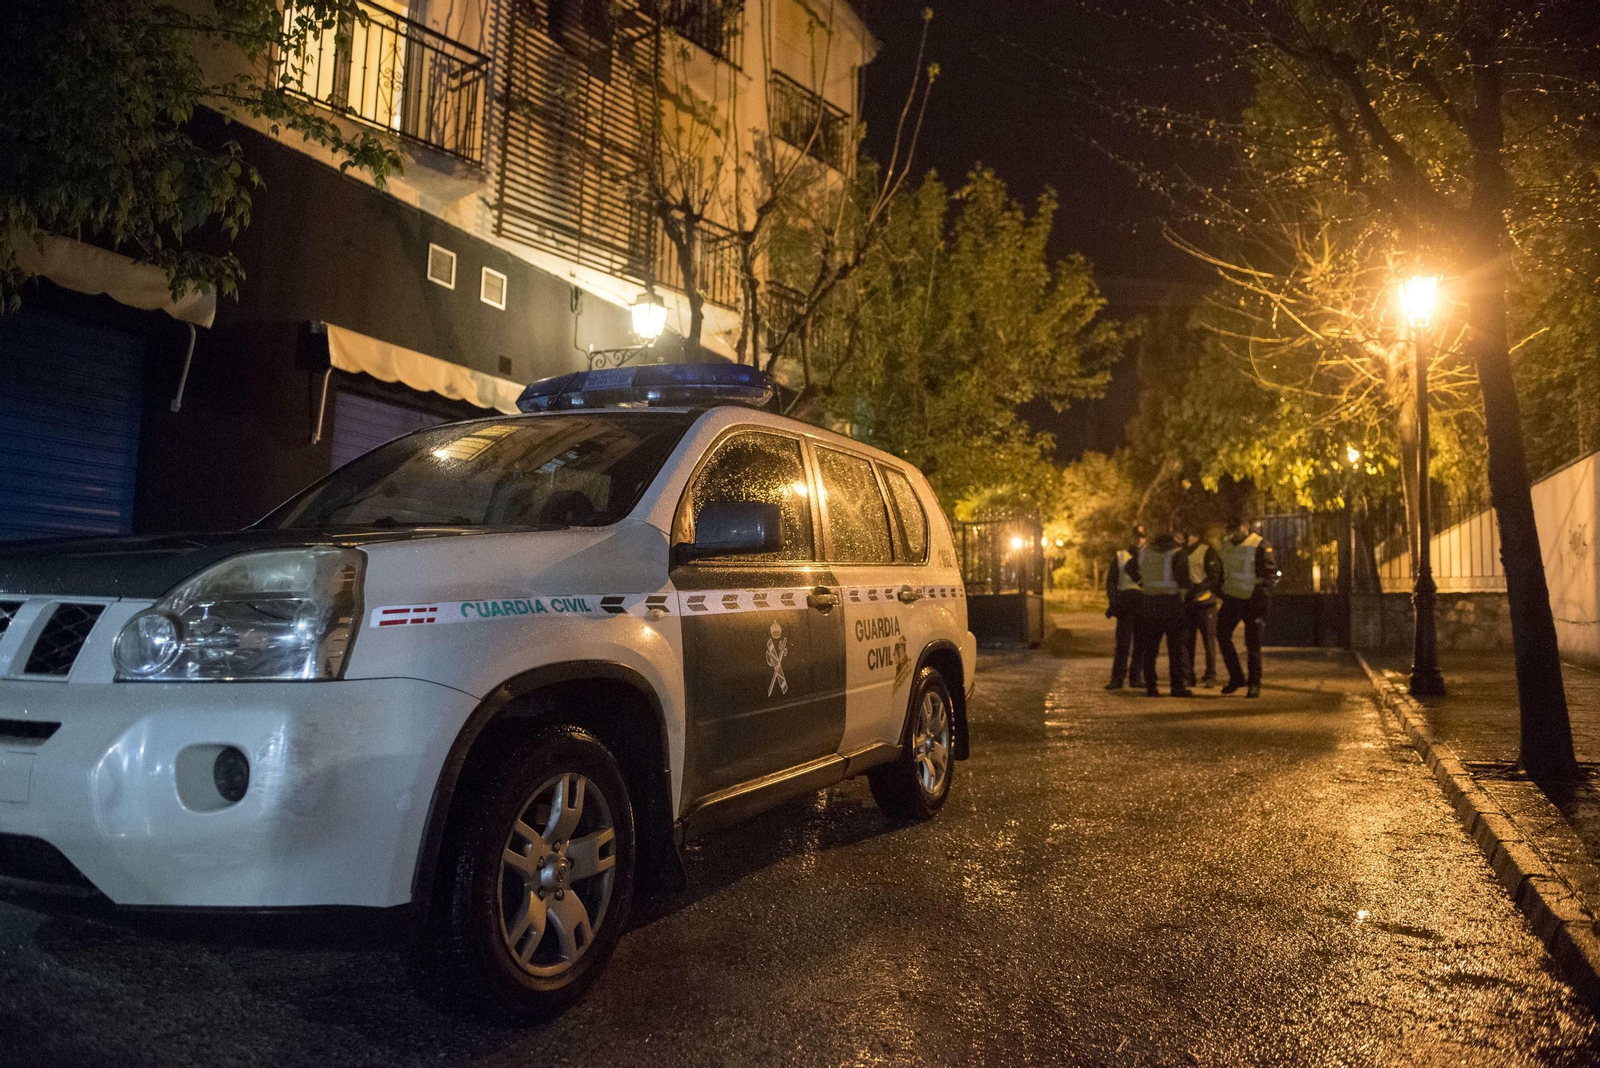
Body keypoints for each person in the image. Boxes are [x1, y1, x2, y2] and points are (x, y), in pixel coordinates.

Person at [1217, 515, 1279, 698]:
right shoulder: (1226, 546)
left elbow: (1270, 575)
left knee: (1252, 644)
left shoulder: (1260, 544)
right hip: (1232, 600)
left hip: (1253, 600)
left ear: (1246, 527)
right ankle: (1236, 677)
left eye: (1236, 528)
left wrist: (1262, 599)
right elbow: (1221, 571)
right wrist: (1220, 591)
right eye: (1231, 529)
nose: (1233, 532)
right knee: (1221, 635)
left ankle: (1254, 683)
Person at [1127, 524, 1192, 697]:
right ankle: (1177, 687)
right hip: (1171, 604)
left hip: (1149, 603)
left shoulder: (1145, 553)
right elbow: (1184, 579)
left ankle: (1151, 686)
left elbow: (1129, 568)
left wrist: (1142, 582)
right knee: (1175, 649)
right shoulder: (1178, 554)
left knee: (1150, 648)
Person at [1104, 524, 1147, 690]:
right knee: (1123, 643)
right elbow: (1112, 581)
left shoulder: (1150, 557)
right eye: (1136, 536)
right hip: (1126, 603)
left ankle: (1135, 677)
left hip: (1143, 602)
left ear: (1146, 539)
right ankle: (1117, 679)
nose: (1139, 540)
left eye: (1142, 537)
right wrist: (1113, 601)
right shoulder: (1120, 555)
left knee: (1141, 643)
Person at [1180, 528, 1223, 688]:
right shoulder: (1183, 552)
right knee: (1187, 641)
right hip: (1188, 603)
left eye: (1188, 535)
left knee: (1208, 640)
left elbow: (1214, 577)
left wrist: (1197, 589)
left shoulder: (1207, 552)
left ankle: (1211, 675)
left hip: (1205, 603)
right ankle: (1188, 676)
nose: (1186, 538)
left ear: (1196, 536)